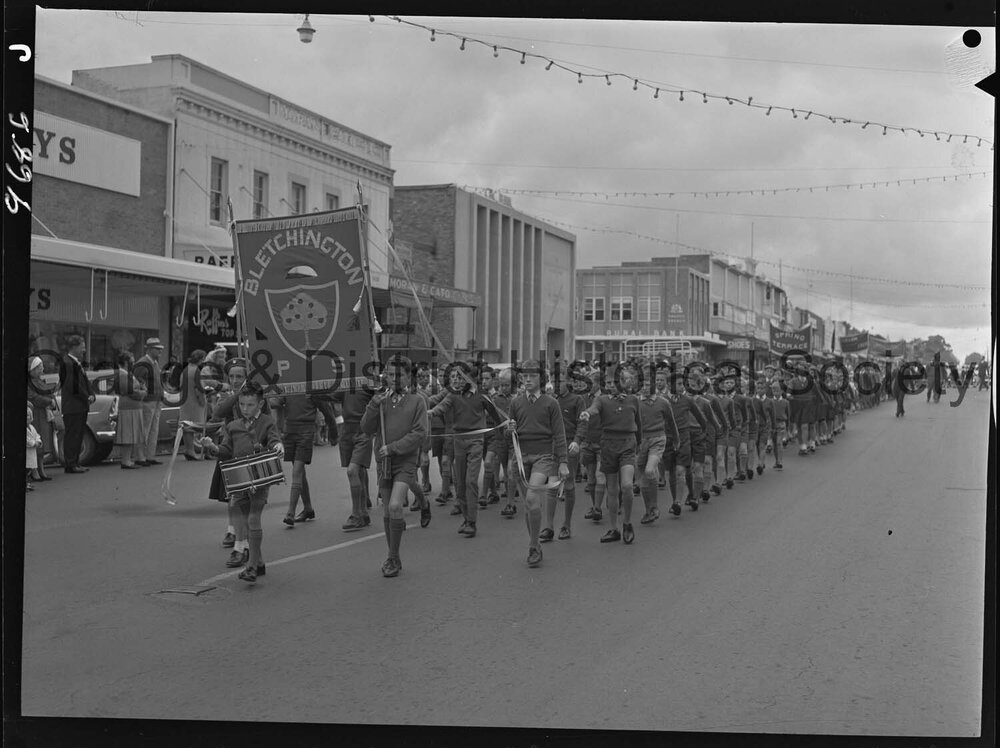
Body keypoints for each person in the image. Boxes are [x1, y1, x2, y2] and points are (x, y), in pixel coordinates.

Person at [203, 381, 283, 584]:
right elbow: (226, 451)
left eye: (250, 405)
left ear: (260, 404)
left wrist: (278, 446)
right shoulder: (233, 426)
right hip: (239, 478)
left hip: (259, 476)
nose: (245, 409)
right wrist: (212, 447)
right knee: (247, 521)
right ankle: (259, 561)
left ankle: (251, 566)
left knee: (253, 519)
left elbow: (274, 439)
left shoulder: (267, 422)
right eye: (242, 404)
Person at [360, 356, 428, 577]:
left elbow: (420, 433)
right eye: (390, 374)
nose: (394, 379)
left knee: (396, 506)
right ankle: (394, 556)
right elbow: (366, 428)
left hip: (405, 460)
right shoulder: (380, 400)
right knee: (389, 511)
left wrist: (394, 447)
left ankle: (392, 556)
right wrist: (373, 405)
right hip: (384, 462)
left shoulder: (418, 401)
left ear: (409, 377)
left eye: (399, 375)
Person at [507, 360, 570, 567]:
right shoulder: (516, 403)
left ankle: (533, 546)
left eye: (532, 376)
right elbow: (509, 436)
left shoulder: (551, 403)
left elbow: (559, 434)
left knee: (532, 498)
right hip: (520, 457)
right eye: (524, 376)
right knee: (529, 505)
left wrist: (563, 462)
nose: (527, 379)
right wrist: (509, 429)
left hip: (543, 457)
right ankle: (535, 544)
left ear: (541, 379)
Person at [427, 362, 498, 538]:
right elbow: (441, 407)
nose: (457, 381)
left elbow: (497, 415)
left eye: (460, 377)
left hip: (476, 441)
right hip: (458, 441)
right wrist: (430, 413)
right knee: (460, 484)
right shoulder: (453, 395)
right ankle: (466, 519)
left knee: (470, 481)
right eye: (455, 378)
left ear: (470, 378)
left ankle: (472, 522)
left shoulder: (482, 394)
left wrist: (506, 427)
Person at [577, 365, 643, 544]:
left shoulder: (633, 400)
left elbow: (639, 425)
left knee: (627, 485)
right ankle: (614, 528)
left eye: (615, 382)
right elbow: (594, 408)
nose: (611, 385)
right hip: (608, 444)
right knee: (612, 489)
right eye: (608, 383)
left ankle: (627, 523)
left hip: (628, 444)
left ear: (623, 382)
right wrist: (586, 413)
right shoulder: (602, 400)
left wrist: (639, 444)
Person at [545, 366, 587, 540]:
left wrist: (577, 441)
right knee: (552, 484)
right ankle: (548, 527)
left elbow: (582, 423)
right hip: (552, 446)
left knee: (568, 484)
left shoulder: (577, 400)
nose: (556, 384)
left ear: (569, 381)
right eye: (553, 380)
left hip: (570, 446)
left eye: (560, 380)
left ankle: (566, 525)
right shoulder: (548, 400)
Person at [636, 368, 680, 524]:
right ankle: (648, 510)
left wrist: (676, 439)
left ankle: (654, 506)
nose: (645, 387)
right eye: (643, 384)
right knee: (643, 479)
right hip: (641, 441)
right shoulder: (635, 402)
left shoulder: (663, 402)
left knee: (650, 470)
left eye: (649, 384)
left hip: (658, 439)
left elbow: (671, 422)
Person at [332, 385, 375, 532]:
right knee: (359, 472)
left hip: (363, 430)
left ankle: (356, 514)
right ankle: (363, 513)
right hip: (347, 430)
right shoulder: (344, 384)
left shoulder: (368, 384)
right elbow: (330, 394)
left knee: (352, 471)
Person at [59, 334, 95, 474]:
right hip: (72, 406)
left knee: (78, 434)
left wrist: (91, 394)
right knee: (72, 435)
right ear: (74, 347)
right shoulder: (67, 363)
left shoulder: (76, 363)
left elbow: (85, 381)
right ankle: (70, 464)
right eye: (82, 347)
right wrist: (86, 397)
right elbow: (72, 385)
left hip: (80, 406)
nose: (84, 350)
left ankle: (75, 462)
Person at [133, 337, 166, 466]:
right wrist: (145, 393)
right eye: (157, 349)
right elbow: (137, 381)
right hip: (147, 401)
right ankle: (140, 457)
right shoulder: (143, 363)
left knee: (153, 429)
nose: (160, 351)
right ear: (150, 349)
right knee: (144, 429)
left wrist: (161, 394)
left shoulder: (155, 363)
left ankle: (150, 456)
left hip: (156, 399)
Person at [112, 351, 147, 469]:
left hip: (133, 408)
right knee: (128, 435)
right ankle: (126, 461)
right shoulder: (123, 375)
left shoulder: (127, 374)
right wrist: (143, 392)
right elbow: (131, 391)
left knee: (131, 435)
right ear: (126, 362)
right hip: (128, 408)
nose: (134, 363)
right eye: (132, 361)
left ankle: (128, 460)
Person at [27, 356, 57, 481]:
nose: (42, 369)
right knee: (35, 443)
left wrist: (52, 400)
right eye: (39, 367)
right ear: (32, 369)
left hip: (43, 415)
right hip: (35, 415)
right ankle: (35, 472)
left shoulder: (40, 381)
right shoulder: (29, 383)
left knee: (42, 443)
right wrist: (49, 401)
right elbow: (33, 397)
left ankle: (40, 469)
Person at [178, 349, 208, 460]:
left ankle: (188, 449)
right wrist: (203, 401)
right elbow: (198, 389)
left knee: (186, 427)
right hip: (194, 403)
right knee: (193, 427)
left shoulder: (185, 370)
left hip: (185, 401)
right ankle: (191, 450)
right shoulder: (196, 371)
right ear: (200, 359)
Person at [26, 404, 43, 491]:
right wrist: (33, 443)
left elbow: (37, 435)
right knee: (25, 469)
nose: (27, 417)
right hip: (27, 451)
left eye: (28, 415)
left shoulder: (32, 427)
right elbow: (26, 440)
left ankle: (27, 484)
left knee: (29, 468)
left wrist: (39, 442)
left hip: (32, 452)